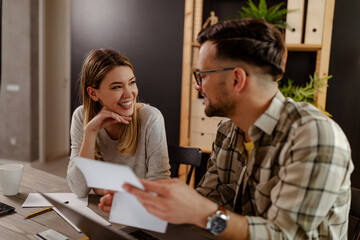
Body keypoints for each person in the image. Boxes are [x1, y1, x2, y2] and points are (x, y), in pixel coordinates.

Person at [100, 18, 354, 239]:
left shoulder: (314, 136)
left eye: (202, 75)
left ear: (237, 79)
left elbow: (283, 235)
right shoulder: (226, 133)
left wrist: (204, 213)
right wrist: (146, 207)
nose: (198, 87)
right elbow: (205, 203)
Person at [67, 49, 171, 198]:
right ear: (93, 93)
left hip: (140, 212)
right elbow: (78, 189)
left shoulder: (150, 118)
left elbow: (159, 188)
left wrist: (103, 188)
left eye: (132, 83)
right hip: (103, 209)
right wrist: (90, 131)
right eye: (117, 87)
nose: (129, 94)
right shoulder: (81, 117)